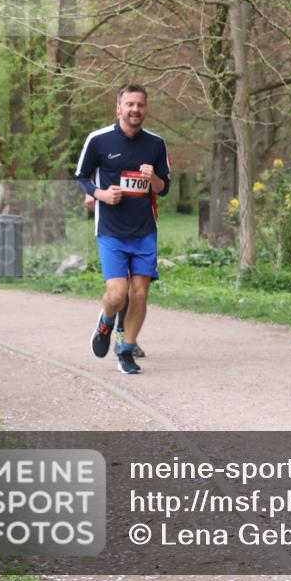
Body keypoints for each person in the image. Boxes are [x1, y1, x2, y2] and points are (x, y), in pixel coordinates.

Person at [75, 85, 170, 374]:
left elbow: (164, 188)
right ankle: (106, 321)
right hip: (111, 230)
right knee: (118, 295)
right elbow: (81, 176)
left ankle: (126, 349)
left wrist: (153, 177)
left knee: (139, 294)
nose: (135, 109)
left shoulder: (156, 144)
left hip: (144, 230)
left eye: (140, 104)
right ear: (118, 109)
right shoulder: (99, 140)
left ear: (145, 109)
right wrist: (100, 194)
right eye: (129, 104)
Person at [83, 193, 146, 358]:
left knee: (139, 285)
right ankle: (113, 327)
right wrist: (90, 192)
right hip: (112, 217)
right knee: (120, 286)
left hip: (141, 214)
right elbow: (91, 168)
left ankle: (123, 337)